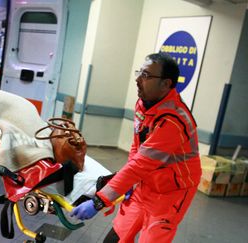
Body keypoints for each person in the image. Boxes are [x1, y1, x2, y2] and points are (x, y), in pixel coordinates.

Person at [71, 53, 202, 243]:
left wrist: (99, 201)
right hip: (145, 186)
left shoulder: (173, 121)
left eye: (146, 75)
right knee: (115, 238)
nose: (138, 79)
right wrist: (130, 183)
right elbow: (137, 147)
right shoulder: (144, 104)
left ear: (166, 84)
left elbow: (142, 163)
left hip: (171, 193)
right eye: (139, 72)